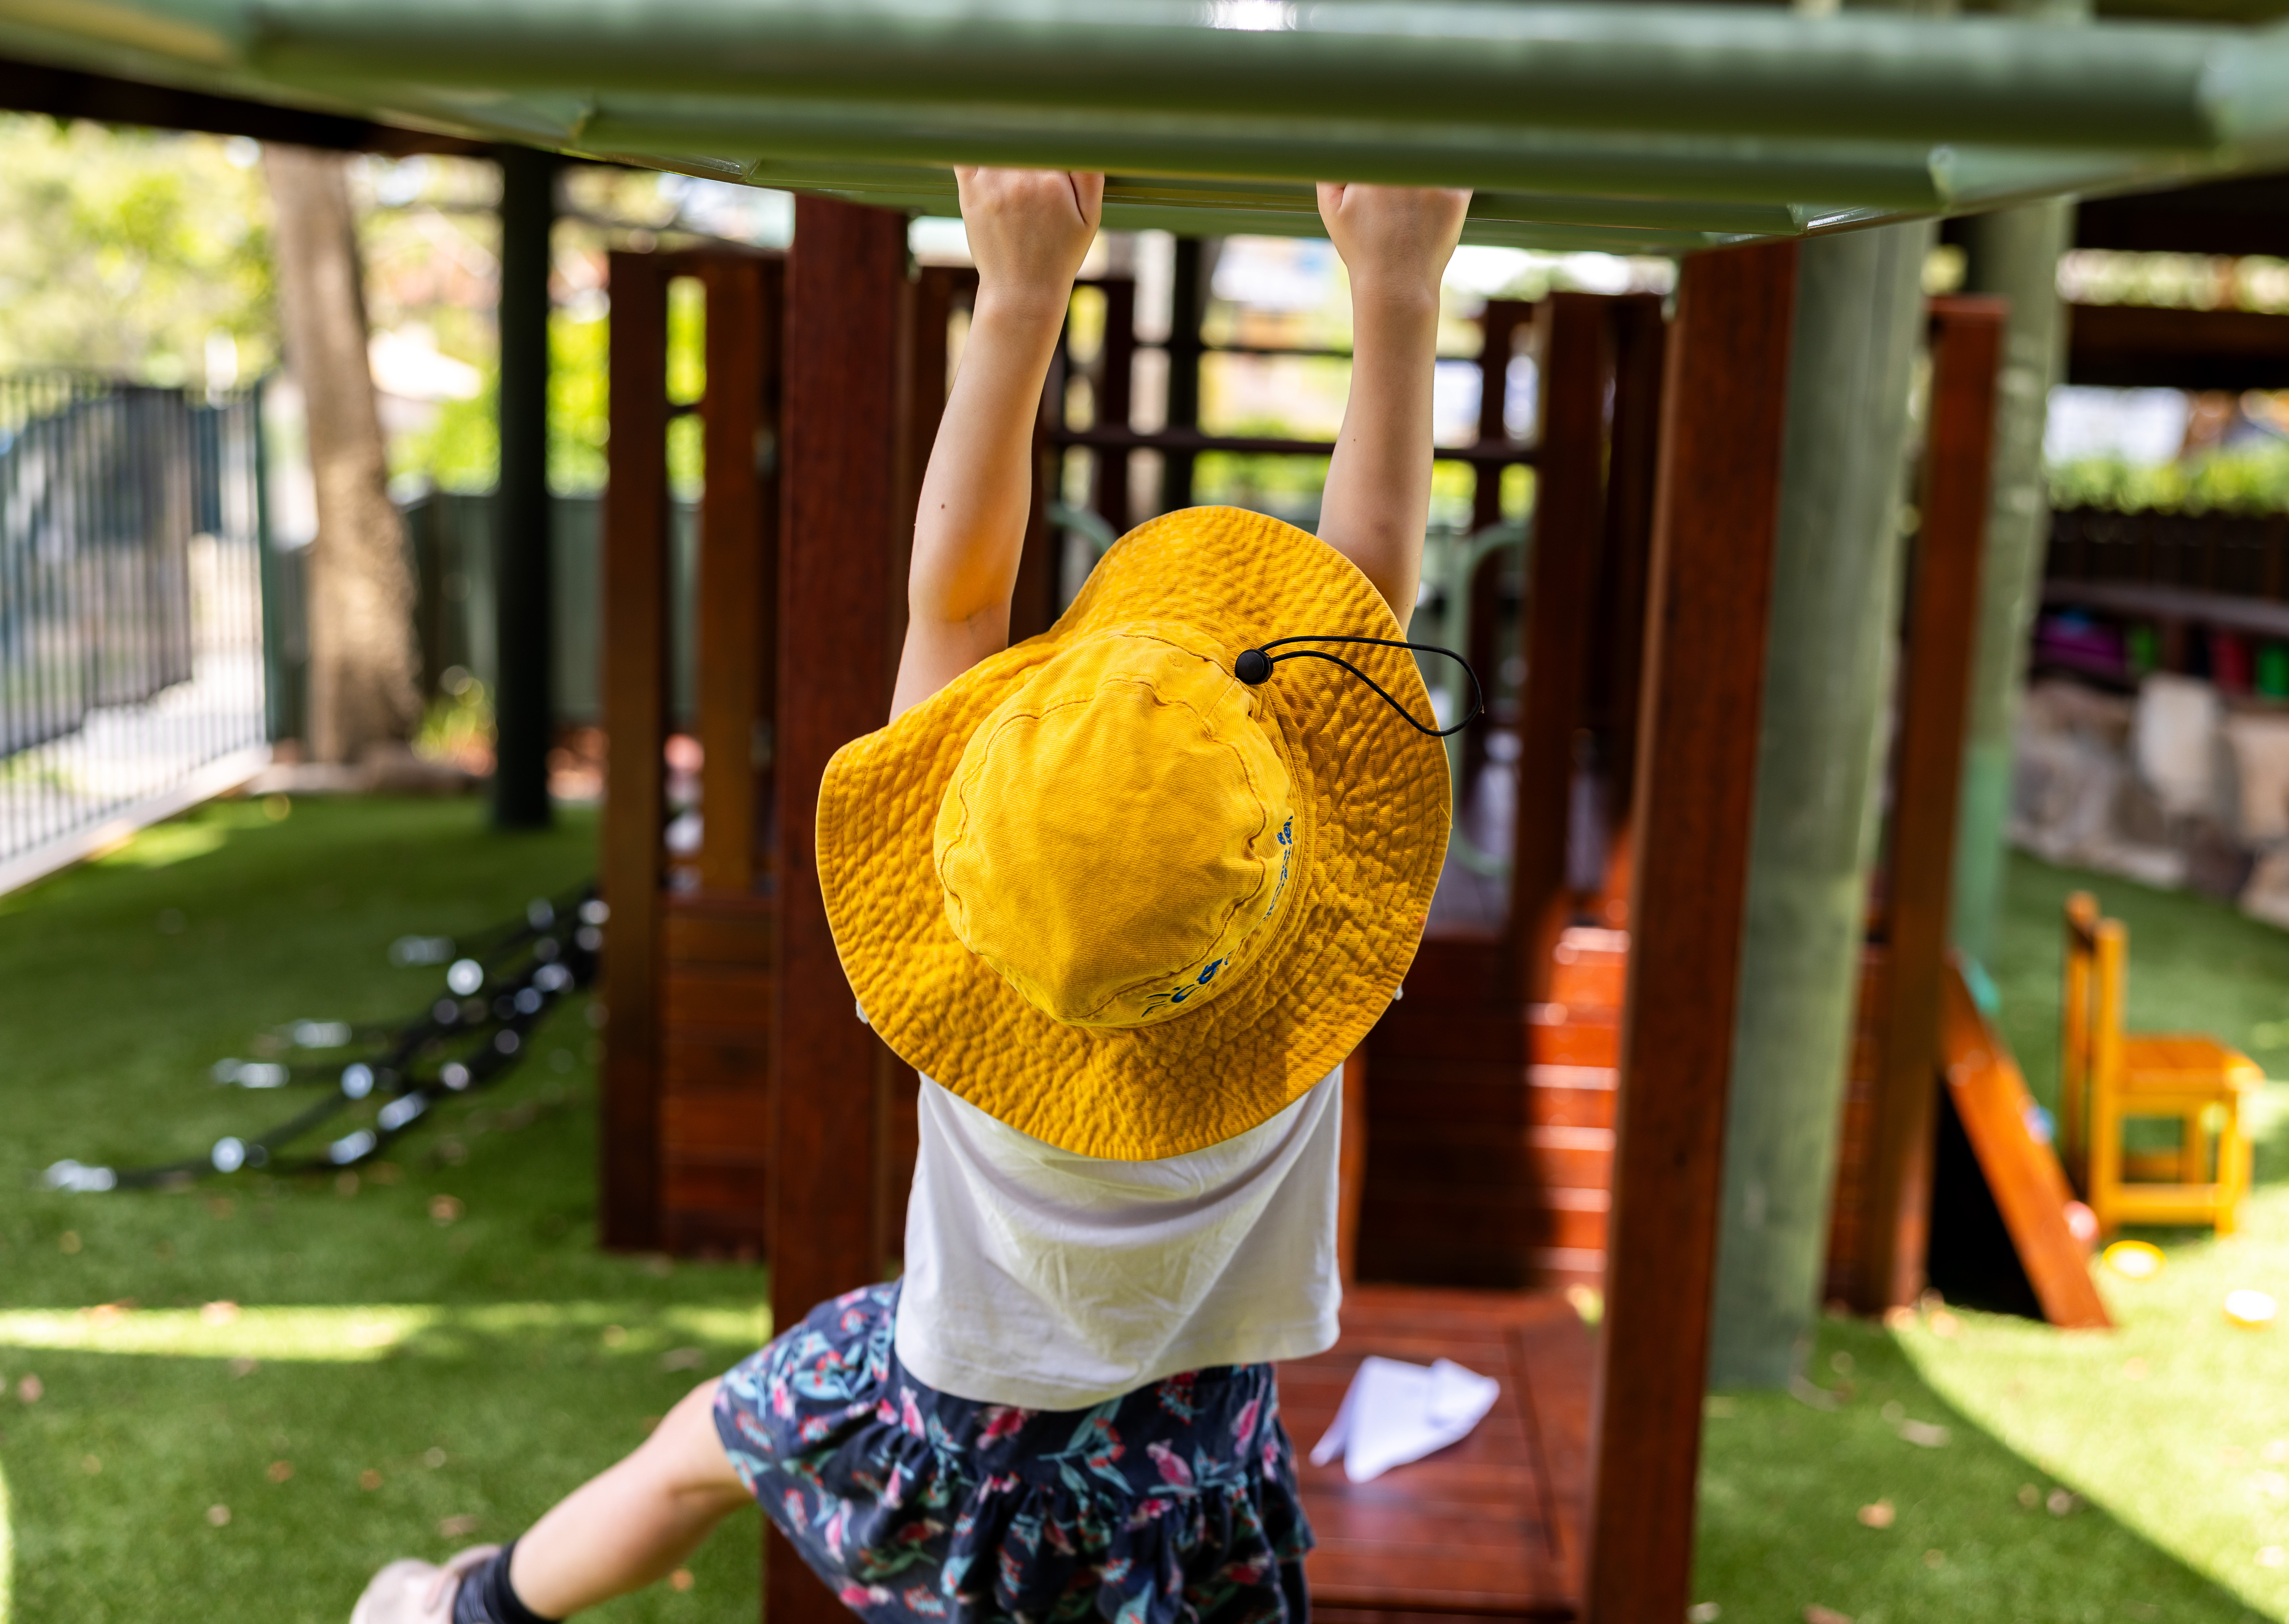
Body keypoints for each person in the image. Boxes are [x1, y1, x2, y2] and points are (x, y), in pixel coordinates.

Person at [353, 166, 1472, 1624]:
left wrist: (1015, 290)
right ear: (1286, 893)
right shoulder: (1284, 1011)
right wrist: (1398, 282)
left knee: (694, 1452)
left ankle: (464, 1616)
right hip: (1195, 1467)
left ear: (973, 865)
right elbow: (1362, 596)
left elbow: (954, 599)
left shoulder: (985, 969)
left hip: (957, 1435)